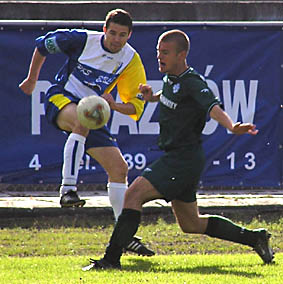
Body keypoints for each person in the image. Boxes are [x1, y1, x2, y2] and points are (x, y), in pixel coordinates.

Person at [83, 29, 274, 270]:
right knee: (191, 224)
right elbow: (170, 94)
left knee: (132, 195)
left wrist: (232, 126)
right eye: (158, 52)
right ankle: (255, 237)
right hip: (182, 159)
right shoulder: (171, 78)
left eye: (165, 52)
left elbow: (212, 107)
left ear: (181, 55)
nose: (159, 57)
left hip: (182, 159)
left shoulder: (192, 81)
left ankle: (111, 260)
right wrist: (151, 98)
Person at [19, 8, 154, 257]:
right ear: (104, 29)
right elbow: (42, 45)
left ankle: (123, 235)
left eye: (122, 35)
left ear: (129, 35)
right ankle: (67, 190)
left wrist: (113, 104)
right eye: (112, 33)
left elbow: (135, 106)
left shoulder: (130, 59)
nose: (116, 39)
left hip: (93, 113)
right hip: (60, 99)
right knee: (82, 121)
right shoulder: (82, 39)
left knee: (119, 169)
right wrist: (31, 79)